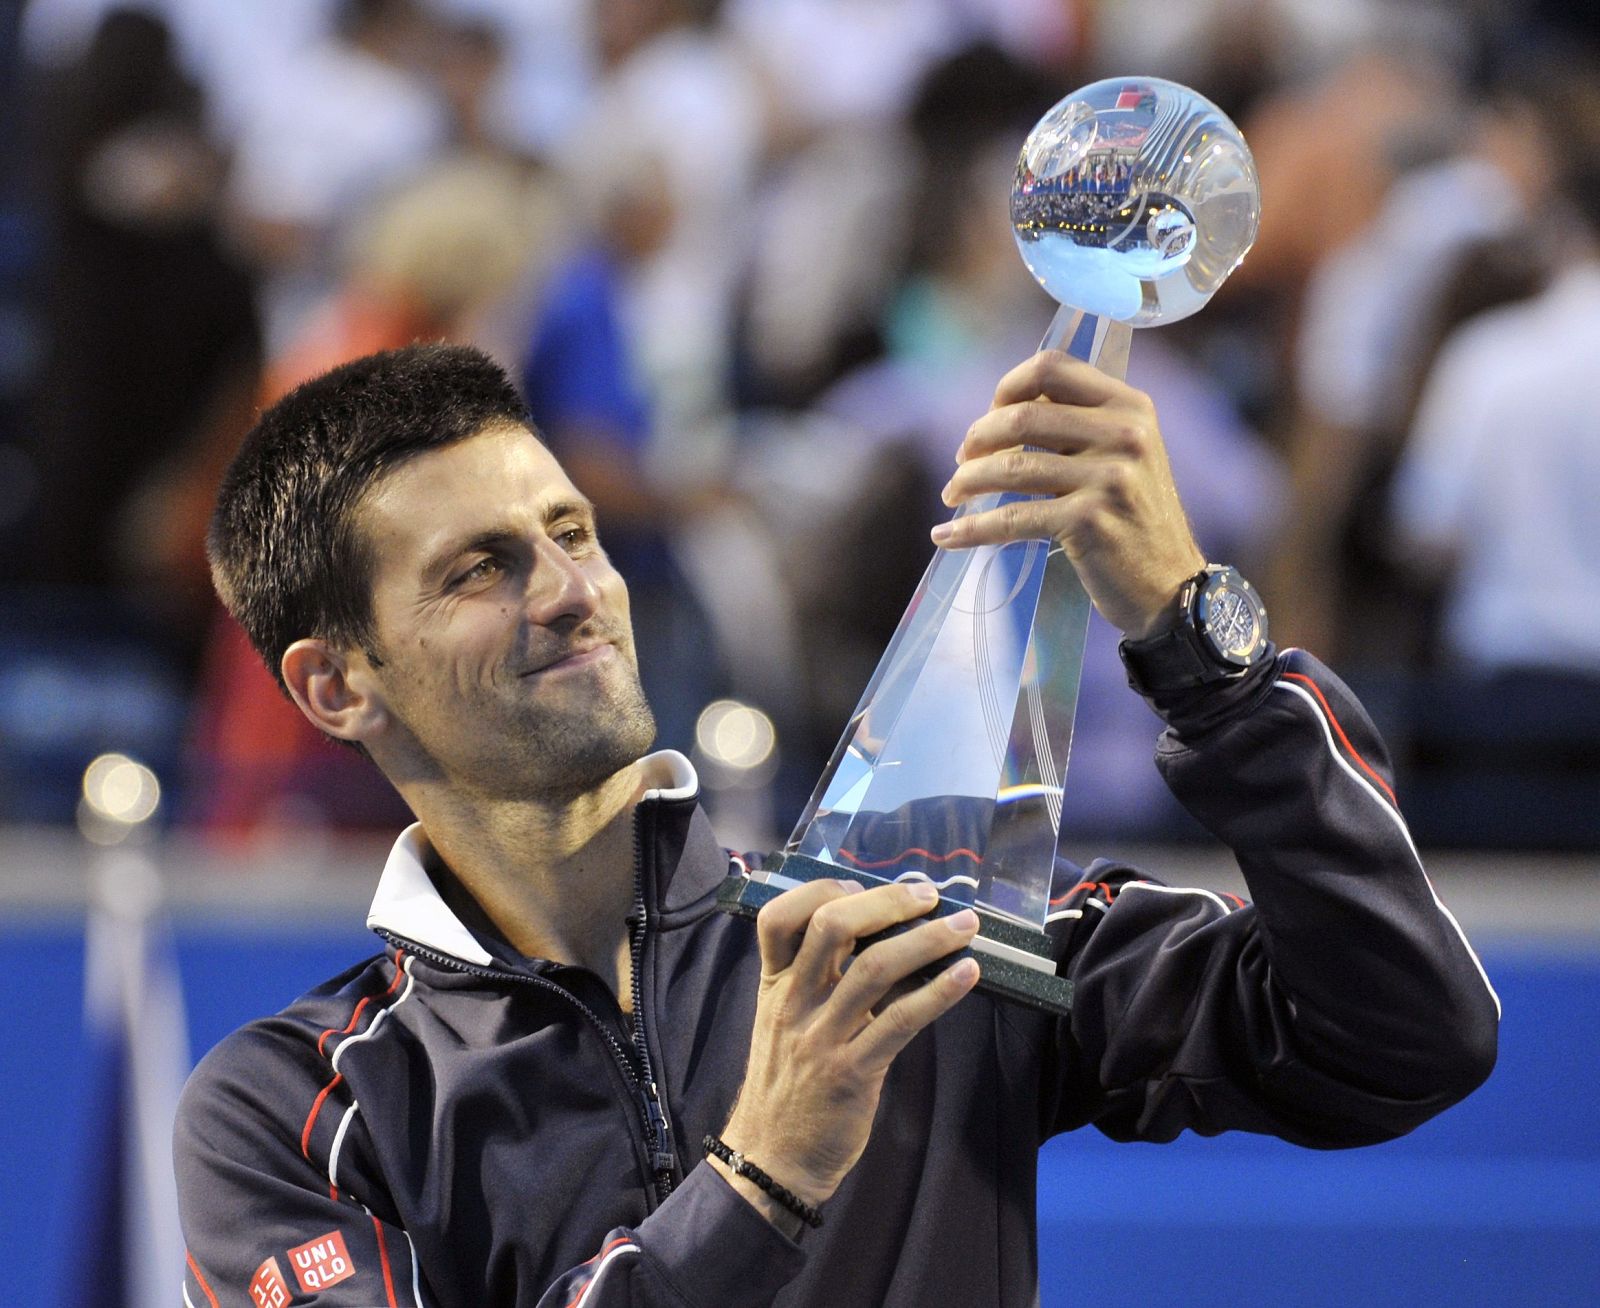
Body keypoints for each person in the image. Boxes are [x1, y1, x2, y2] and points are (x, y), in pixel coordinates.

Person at [175, 343, 1498, 1307]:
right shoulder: (297, 1107)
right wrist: (762, 1177)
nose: (573, 590)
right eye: (481, 568)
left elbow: (1405, 1038)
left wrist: (1200, 646)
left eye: (573, 531)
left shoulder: (915, 922)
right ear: (334, 687)